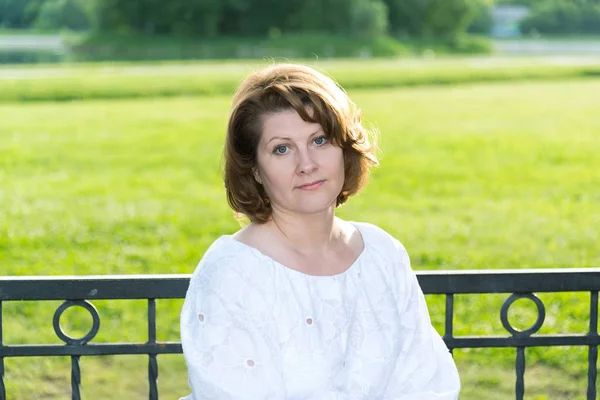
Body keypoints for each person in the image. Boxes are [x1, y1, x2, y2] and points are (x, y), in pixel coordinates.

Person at [180, 63, 460, 399]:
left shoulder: (382, 253)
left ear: (344, 147)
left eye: (320, 140)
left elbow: (425, 384)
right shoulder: (233, 273)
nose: (307, 164)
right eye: (282, 149)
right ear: (254, 169)